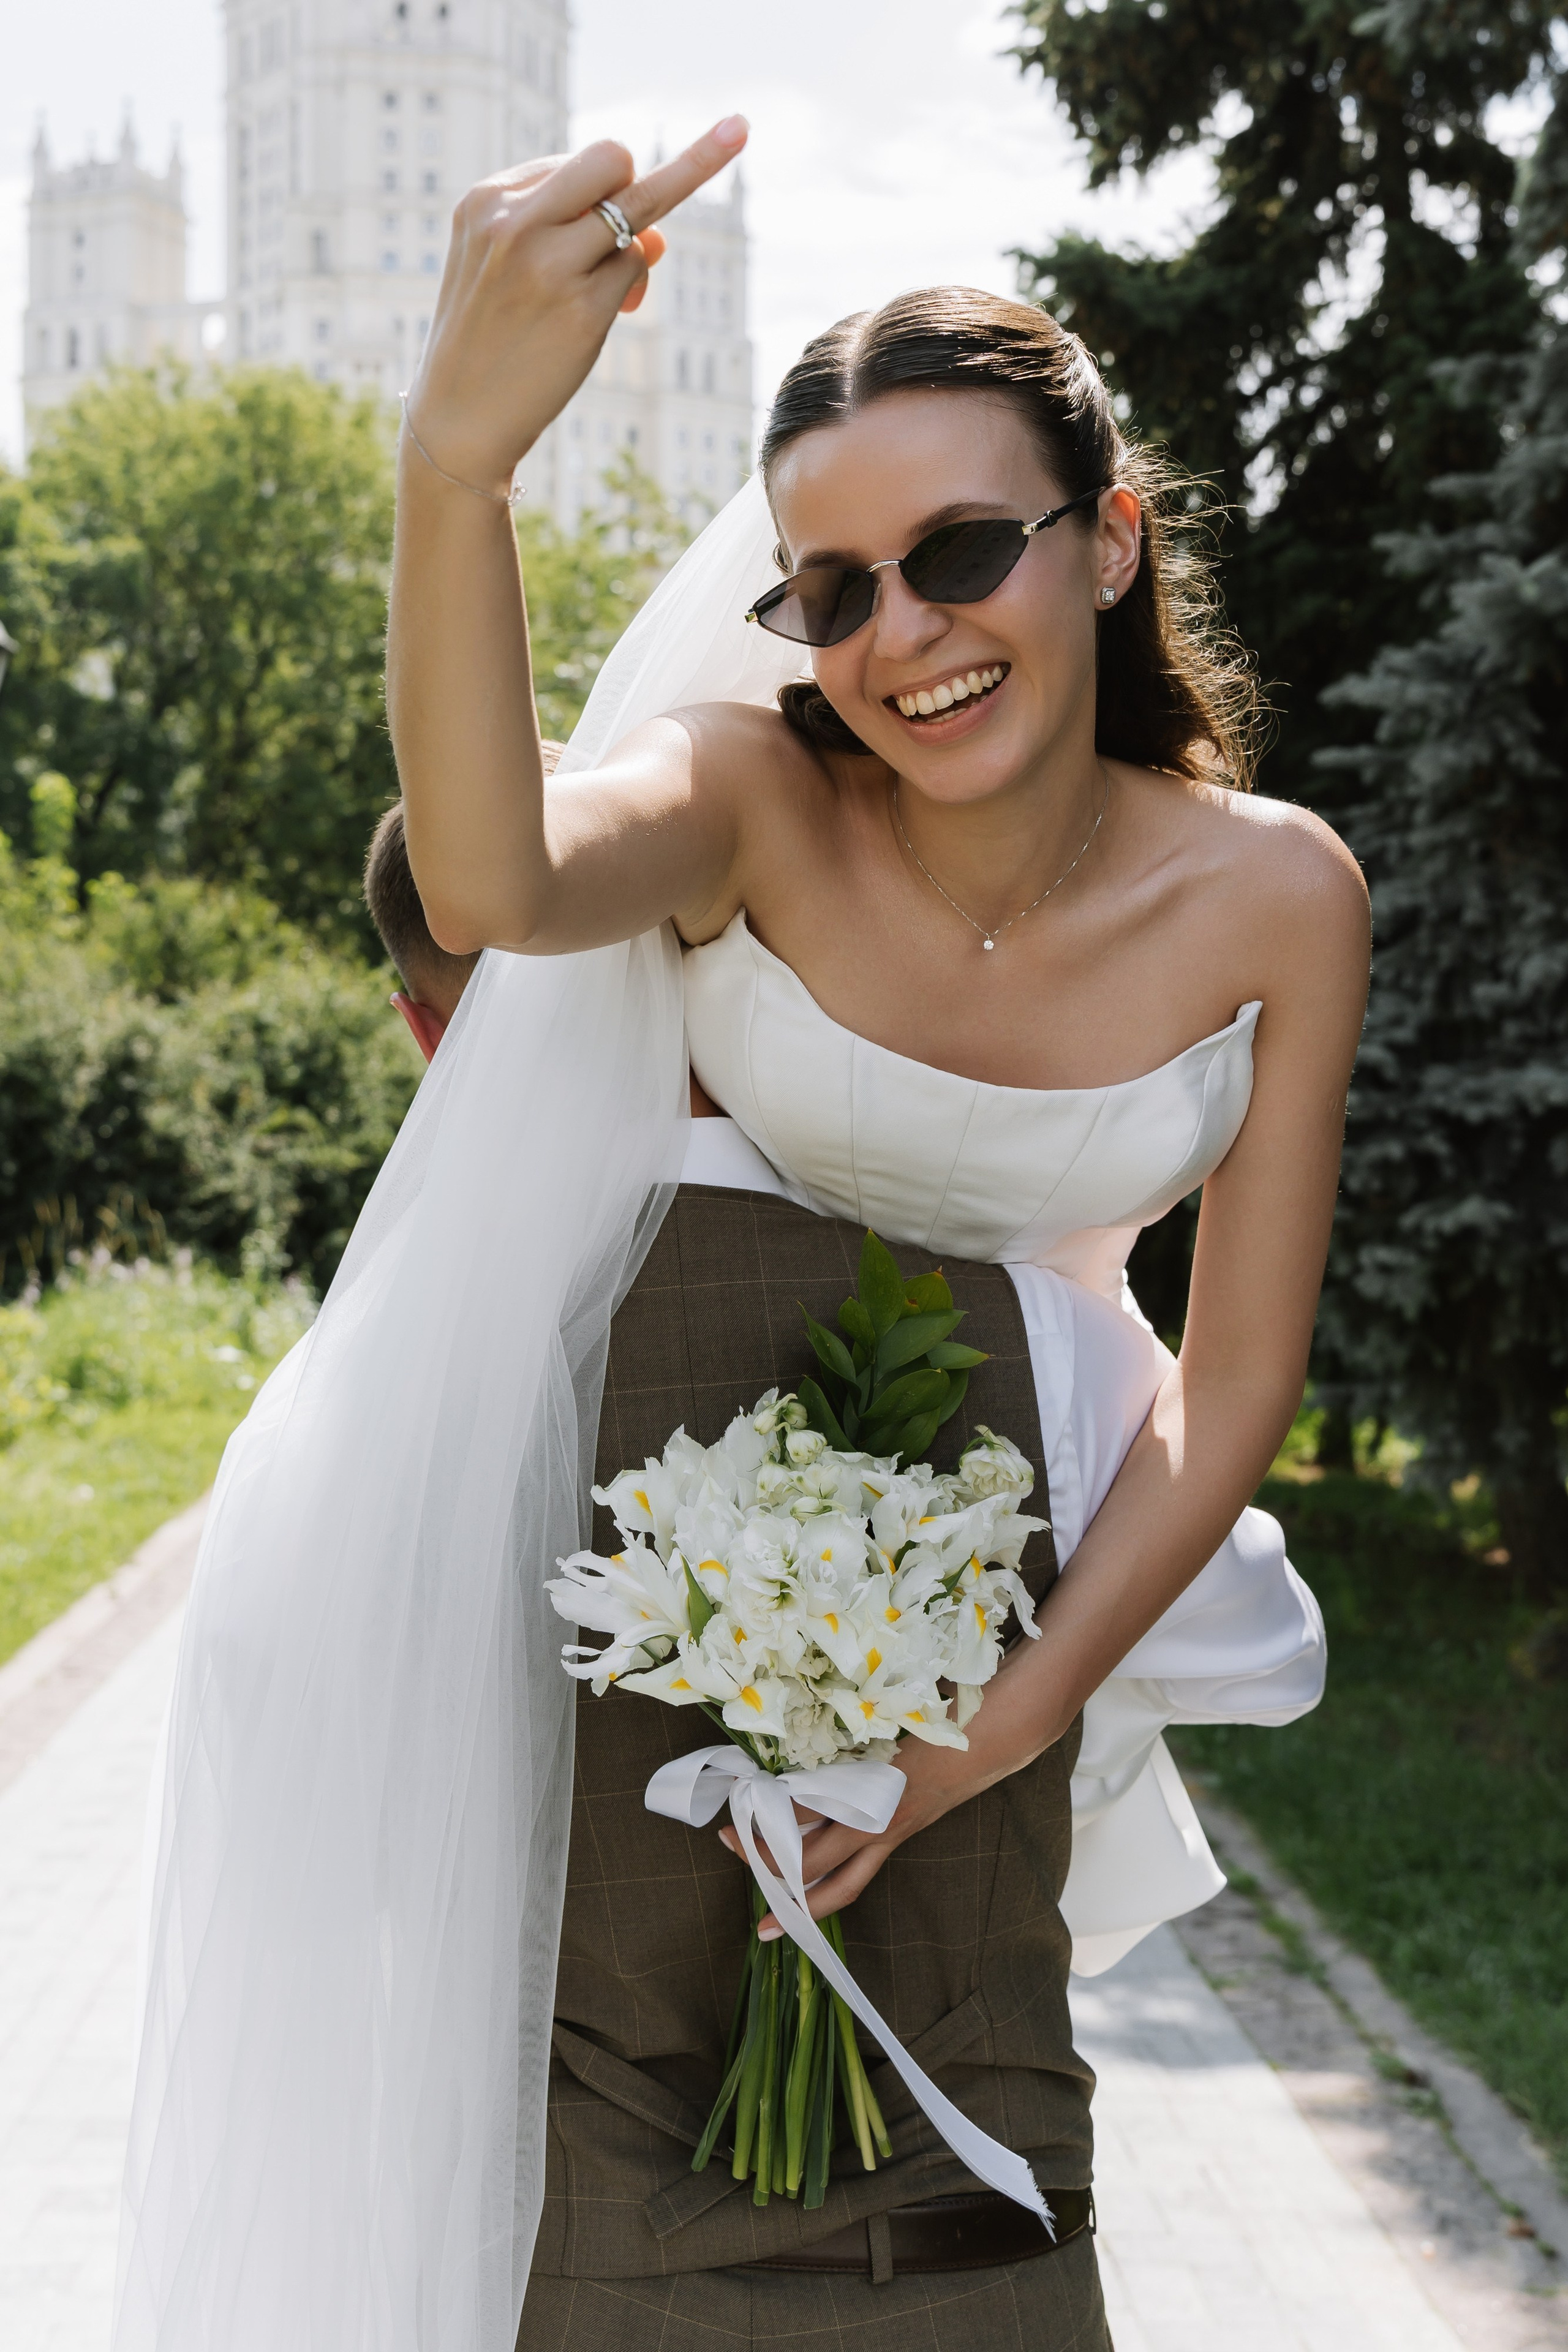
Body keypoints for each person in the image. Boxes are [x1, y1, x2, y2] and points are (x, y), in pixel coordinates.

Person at [115, 125, 1363, 2352]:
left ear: (1111, 543)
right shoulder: (749, 788)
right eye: (834, 587)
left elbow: (1241, 1377)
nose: (901, 634)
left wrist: (995, 1723)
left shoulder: (1280, 896)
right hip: (644, 1569)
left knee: (985, 2151)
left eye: (963, 548)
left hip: (1012, 1604)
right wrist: (459, 472)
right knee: (615, 2154)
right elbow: (489, 880)